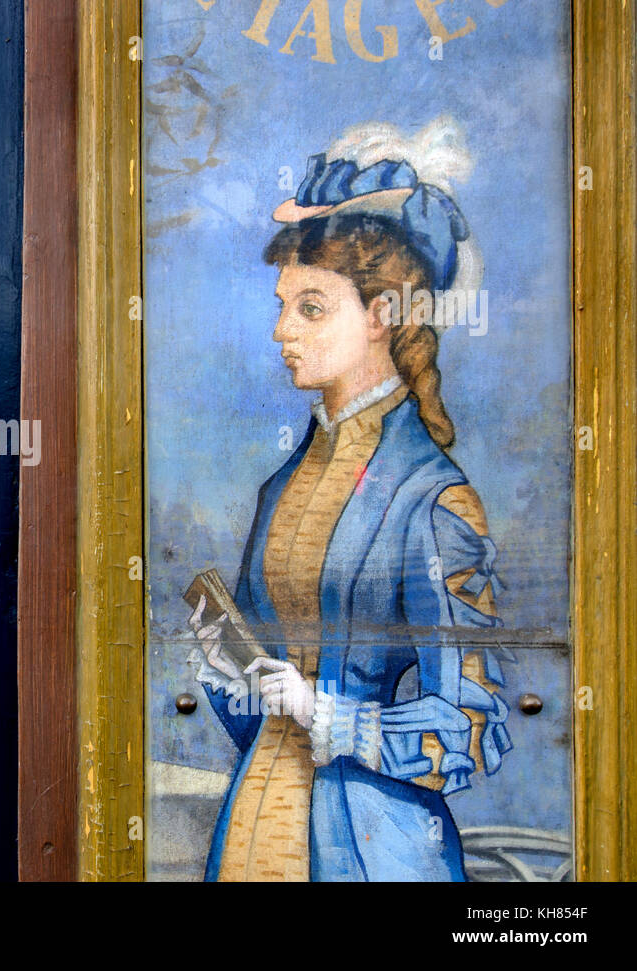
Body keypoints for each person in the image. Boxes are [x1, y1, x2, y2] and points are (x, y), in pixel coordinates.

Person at [188, 120, 513, 881]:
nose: (280, 332)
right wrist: (230, 673)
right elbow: (259, 725)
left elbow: (471, 725)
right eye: (281, 305)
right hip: (252, 838)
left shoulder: (433, 498)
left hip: (376, 851)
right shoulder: (281, 488)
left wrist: (331, 717)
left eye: (309, 307)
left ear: (381, 315)